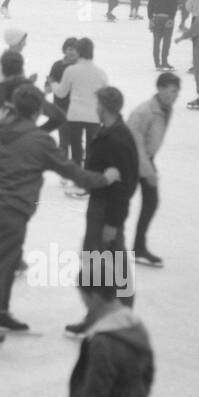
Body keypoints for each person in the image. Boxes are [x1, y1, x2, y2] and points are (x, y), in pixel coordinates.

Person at [0, 85, 118, 365]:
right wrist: (104, 179)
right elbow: (73, 173)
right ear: (37, 111)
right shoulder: (39, 139)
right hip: (12, 211)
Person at [64, 86, 140, 337]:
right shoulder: (109, 131)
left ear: (104, 107)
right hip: (99, 207)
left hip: (106, 211)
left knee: (111, 267)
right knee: (100, 265)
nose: (95, 107)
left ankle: (117, 318)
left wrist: (113, 223)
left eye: (97, 104)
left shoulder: (118, 138)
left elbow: (126, 186)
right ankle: (100, 316)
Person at [127, 73, 181, 269]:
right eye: (172, 91)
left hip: (146, 158)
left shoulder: (166, 109)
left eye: (177, 92)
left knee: (151, 202)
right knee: (120, 205)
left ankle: (138, 247)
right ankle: (105, 250)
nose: (176, 95)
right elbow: (134, 145)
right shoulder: (144, 112)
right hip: (129, 160)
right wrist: (148, 172)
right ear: (160, 89)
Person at [51, 38, 107, 182]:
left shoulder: (71, 70)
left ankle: (77, 181)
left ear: (79, 51)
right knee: (91, 150)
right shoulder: (100, 73)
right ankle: (88, 180)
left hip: (75, 115)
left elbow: (61, 93)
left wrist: (53, 84)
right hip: (94, 116)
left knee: (76, 150)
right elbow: (105, 95)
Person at [146, 0, 178, 71]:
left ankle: (157, 63)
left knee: (156, 41)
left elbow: (150, 5)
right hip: (168, 17)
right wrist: (171, 18)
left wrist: (150, 18)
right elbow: (174, 6)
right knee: (166, 42)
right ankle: (164, 61)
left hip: (157, 17)